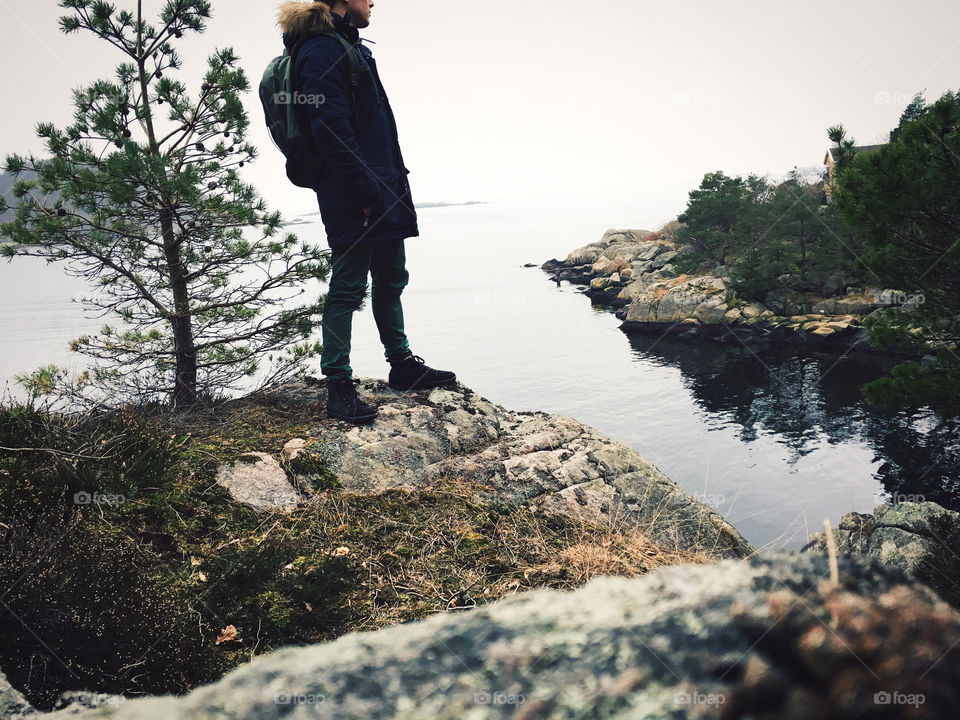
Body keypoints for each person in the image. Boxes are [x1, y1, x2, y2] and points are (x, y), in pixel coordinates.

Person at [277, 0, 456, 424]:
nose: (374, 1)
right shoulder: (322, 48)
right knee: (348, 288)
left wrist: (385, 185)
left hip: (381, 185)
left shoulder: (350, 45)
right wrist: (363, 190)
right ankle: (338, 383)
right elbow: (329, 127)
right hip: (355, 192)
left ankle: (402, 364)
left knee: (392, 277)